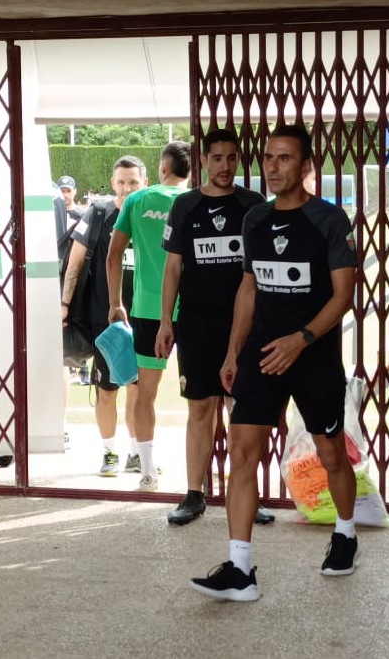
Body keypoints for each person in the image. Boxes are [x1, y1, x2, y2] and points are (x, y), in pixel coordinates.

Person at [190, 123, 358, 602]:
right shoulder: (254, 220)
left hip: (313, 356)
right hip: (262, 355)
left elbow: (343, 295)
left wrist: (301, 339)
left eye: (285, 158)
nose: (273, 166)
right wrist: (232, 352)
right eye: (267, 157)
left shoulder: (329, 220)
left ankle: (345, 534)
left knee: (329, 455)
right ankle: (240, 569)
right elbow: (249, 288)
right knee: (242, 454)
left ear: (306, 166)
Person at [155, 128, 274, 526]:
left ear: (238, 160)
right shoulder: (185, 206)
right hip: (197, 325)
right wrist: (165, 322)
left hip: (245, 327)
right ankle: (194, 495)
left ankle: (246, 495)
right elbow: (173, 268)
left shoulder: (253, 204)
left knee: (241, 410)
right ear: (203, 161)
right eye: (217, 158)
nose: (225, 166)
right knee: (201, 408)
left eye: (231, 158)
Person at [107, 141, 190, 492]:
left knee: (145, 394)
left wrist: (116, 303)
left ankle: (147, 470)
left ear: (162, 168)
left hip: (146, 310)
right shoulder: (194, 201)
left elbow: (113, 257)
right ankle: (219, 467)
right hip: (192, 310)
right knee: (206, 396)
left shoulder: (137, 201)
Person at [61, 157, 147, 476]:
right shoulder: (98, 213)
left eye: (133, 183)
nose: (126, 188)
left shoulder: (150, 215)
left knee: (139, 391)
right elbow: (75, 263)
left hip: (143, 318)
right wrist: (65, 304)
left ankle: (137, 452)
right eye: (121, 182)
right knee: (107, 390)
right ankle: (110, 452)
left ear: (144, 184)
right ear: (113, 183)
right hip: (104, 320)